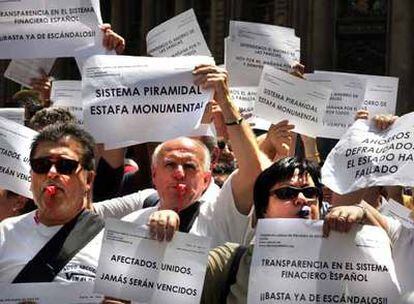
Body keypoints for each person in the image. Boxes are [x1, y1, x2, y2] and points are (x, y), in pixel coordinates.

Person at [95, 64, 271, 247]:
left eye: (189, 166)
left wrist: (226, 102)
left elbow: (253, 172)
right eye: (170, 165)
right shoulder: (129, 223)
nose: (179, 173)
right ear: (154, 175)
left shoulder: (220, 215)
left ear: (206, 179)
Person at [201, 156, 384, 303]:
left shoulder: (346, 260)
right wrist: (171, 227)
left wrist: (363, 212)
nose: (302, 199)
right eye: (287, 193)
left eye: (310, 193)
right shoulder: (230, 261)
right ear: (263, 209)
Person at [0, 123, 103, 283]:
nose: (52, 173)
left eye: (65, 166)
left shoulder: (112, 243)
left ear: (88, 179)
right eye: (41, 165)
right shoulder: (4, 234)